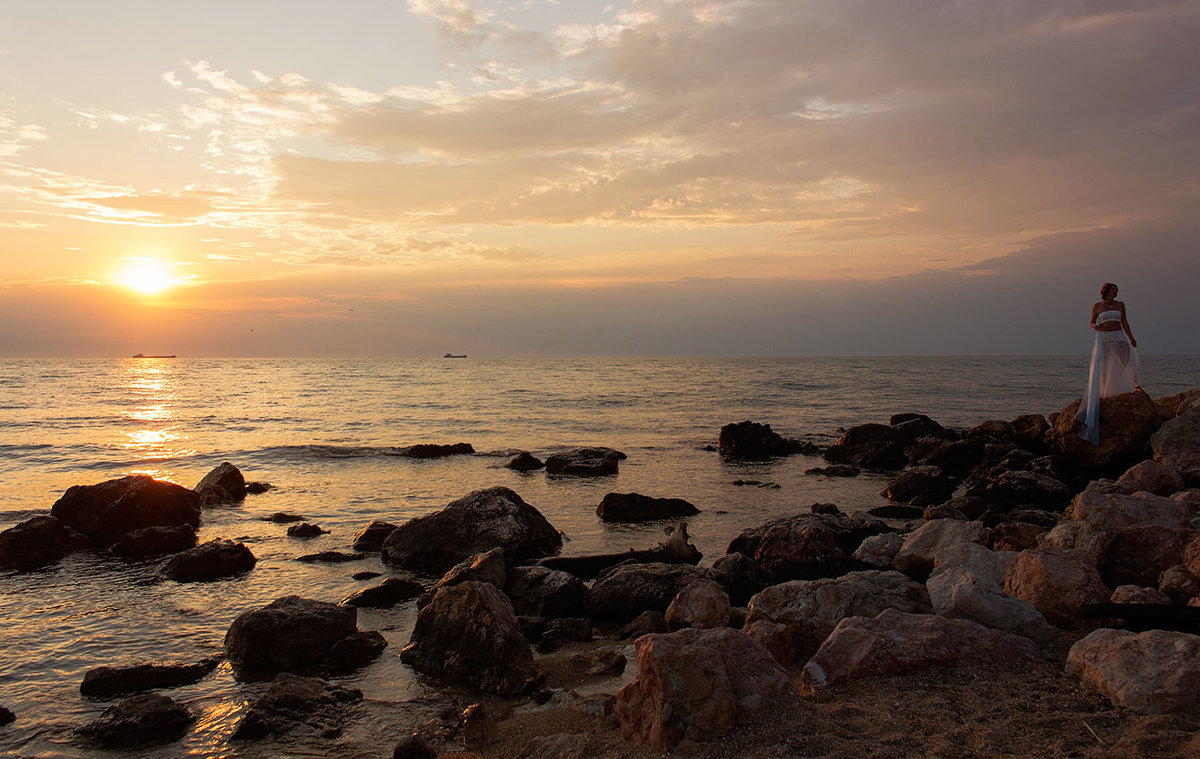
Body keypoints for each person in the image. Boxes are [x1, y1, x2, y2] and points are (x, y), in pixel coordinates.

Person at [1076, 282, 1139, 444]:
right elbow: (1091, 322)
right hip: (1104, 336)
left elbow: (1124, 321)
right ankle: (1103, 388)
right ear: (1106, 291)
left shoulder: (1120, 305)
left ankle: (1134, 383)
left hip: (1118, 334)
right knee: (1103, 364)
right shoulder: (1097, 306)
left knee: (1127, 358)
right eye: (1113, 289)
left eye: (1117, 289)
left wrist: (1130, 337)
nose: (1115, 291)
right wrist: (1094, 326)